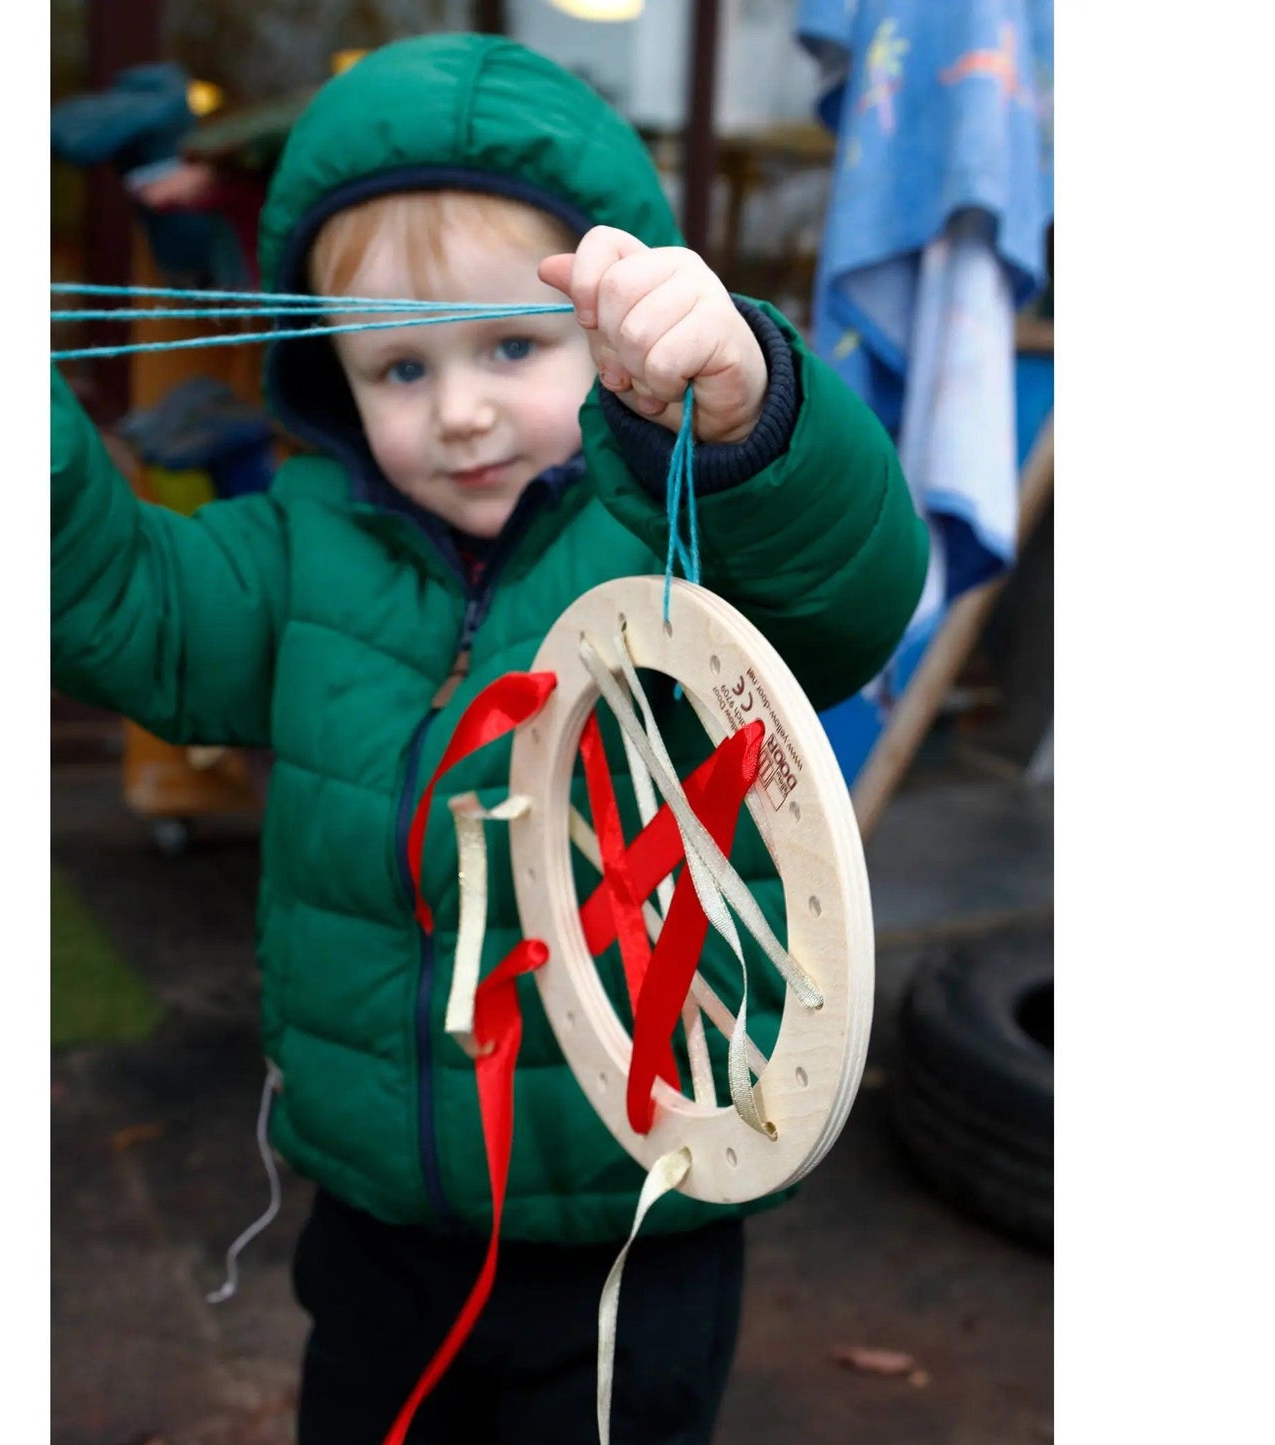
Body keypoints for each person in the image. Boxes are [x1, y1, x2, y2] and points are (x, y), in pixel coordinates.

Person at [51, 31, 929, 1445]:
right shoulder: (293, 552)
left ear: (613, 334)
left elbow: (851, 587)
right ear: (334, 378)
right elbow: (125, 607)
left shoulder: (673, 531)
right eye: (397, 368)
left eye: (512, 347)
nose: (456, 411)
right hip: (376, 1217)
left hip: (634, 1223)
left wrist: (749, 417)